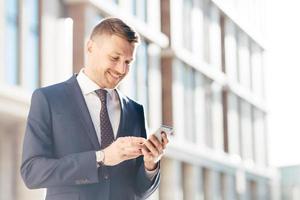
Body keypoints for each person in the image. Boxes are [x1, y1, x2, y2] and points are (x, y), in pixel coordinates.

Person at [20, 17, 169, 200]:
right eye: (115, 58)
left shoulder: (135, 110)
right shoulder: (49, 99)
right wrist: (102, 157)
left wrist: (150, 164)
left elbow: (140, 191)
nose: (121, 69)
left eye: (128, 62)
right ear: (90, 47)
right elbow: (32, 172)